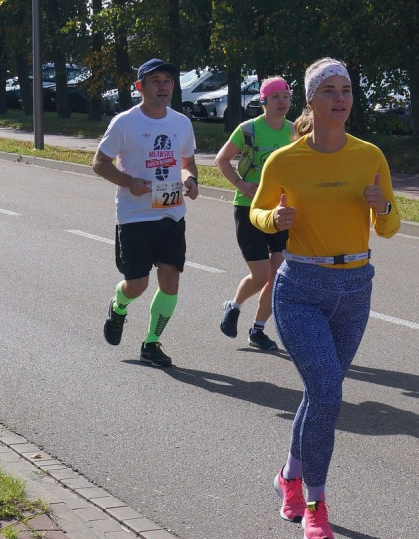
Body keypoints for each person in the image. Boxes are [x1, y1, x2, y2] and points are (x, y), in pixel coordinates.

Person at [249, 57, 400, 539]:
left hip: (355, 287)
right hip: (301, 289)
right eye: (330, 90)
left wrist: (384, 207)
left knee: (320, 394)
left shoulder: (369, 155)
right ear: (311, 100)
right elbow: (256, 210)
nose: (341, 98)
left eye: (347, 90)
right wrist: (275, 219)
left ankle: (288, 477)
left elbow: (390, 227)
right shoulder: (286, 159)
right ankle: (314, 502)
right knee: (329, 394)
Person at [94, 58, 199, 368]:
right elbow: (99, 163)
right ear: (140, 87)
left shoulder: (181, 122)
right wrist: (129, 182)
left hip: (171, 214)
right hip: (135, 216)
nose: (163, 85)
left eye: (168, 79)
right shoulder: (125, 122)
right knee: (137, 284)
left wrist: (190, 180)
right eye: (155, 80)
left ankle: (151, 343)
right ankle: (119, 305)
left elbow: (187, 163)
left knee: (170, 280)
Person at [215, 77, 295, 350]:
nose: (282, 102)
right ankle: (234, 305)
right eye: (276, 97)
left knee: (279, 276)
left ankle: (257, 330)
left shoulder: (295, 132)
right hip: (249, 208)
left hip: (281, 211)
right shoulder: (248, 130)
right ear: (263, 102)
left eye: (286, 96)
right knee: (260, 275)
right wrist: (239, 183)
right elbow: (222, 159)